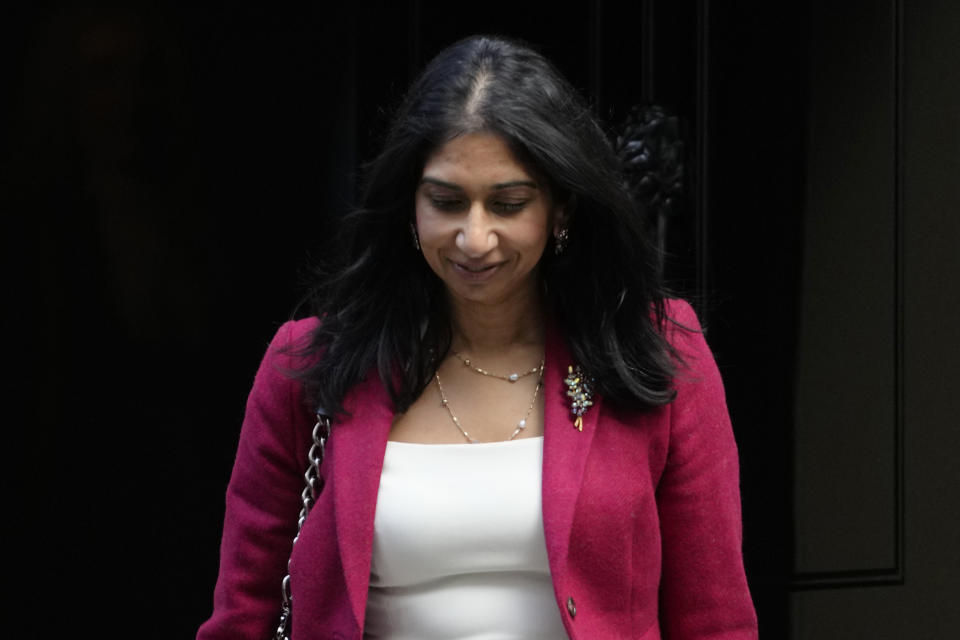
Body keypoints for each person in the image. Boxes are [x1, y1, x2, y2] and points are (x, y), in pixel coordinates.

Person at [197, 35, 757, 639]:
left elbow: (715, 620)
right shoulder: (311, 365)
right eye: (446, 201)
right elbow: (244, 614)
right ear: (409, 204)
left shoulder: (654, 352)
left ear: (561, 209)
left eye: (508, 203)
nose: (475, 237)